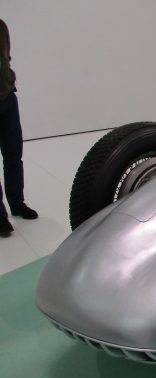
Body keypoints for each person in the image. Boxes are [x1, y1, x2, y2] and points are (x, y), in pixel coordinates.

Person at [0, 18, 38, 237]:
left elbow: (6, 57)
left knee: (14, 154)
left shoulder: (1, 26)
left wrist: (9, 81)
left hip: (7, 99)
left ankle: (17, 203)